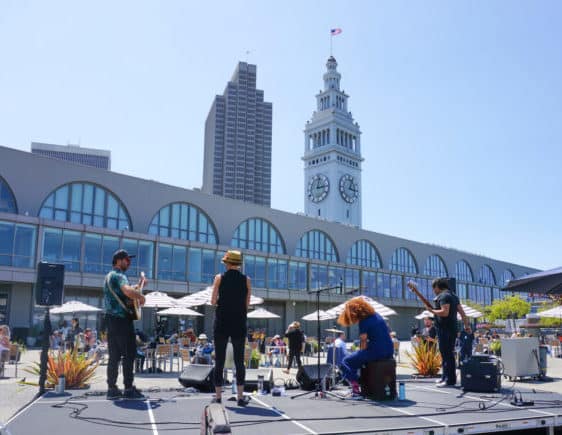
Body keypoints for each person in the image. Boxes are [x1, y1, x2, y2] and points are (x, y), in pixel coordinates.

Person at [103, 249, 146, 399]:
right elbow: (127, 292)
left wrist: (139, 286)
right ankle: (128, 389)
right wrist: (141, 296)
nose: (129, 262)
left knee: (114, 356)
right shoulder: (120, 275)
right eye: (127, 260)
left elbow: (124, 295)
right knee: (129, 354)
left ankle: (112, 389)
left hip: (110, 320)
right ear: (119, 261)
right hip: (122, 321)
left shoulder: (109, 276)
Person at [211, 250, 251, 407]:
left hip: (221, 322)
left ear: (227, 263)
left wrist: (224, 300)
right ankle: (240, 397)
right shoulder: (246, 280)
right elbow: (247, 303)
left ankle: (218, 396)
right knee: (239, 361)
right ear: (239, 264)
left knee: (219, 360)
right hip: (239, 322)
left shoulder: (219, 278)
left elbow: (213, 301)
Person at [337, 297, 393, 396]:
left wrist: (360, 354)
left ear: (355, 312)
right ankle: (359, 381)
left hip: (377, 351)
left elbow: (363, 341)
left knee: (345, 361)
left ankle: (355, 387)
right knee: (357, 359)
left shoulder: (364, 321)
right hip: (389, 350)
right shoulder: (377, 315)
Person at [425, 278, 469, 387]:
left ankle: (449, 380)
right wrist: (467, 326)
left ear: (437, 287)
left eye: (433, 288)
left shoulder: (444, 296)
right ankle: (445, 377)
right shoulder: (453, 296)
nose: (433, 291)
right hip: (451, 329)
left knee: (447, 354)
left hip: (445, 329)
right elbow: (462, 313)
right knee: (447, 354)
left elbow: (444, 312)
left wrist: (432, 311)